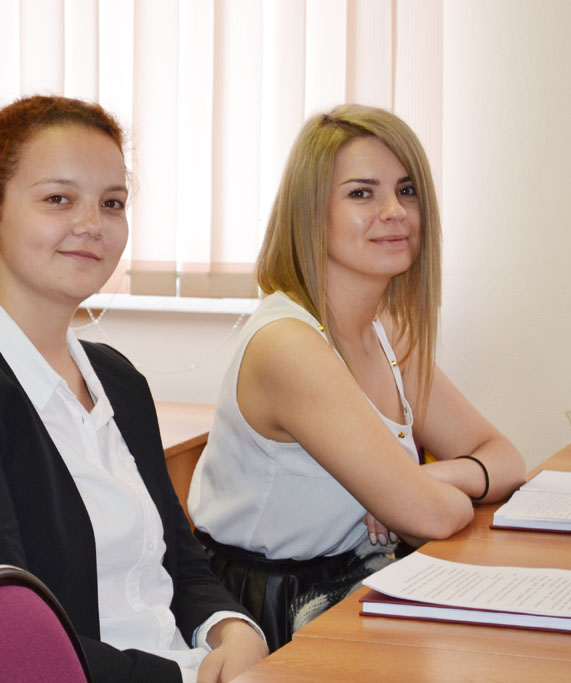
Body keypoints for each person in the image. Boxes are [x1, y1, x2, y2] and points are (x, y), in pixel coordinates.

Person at [0, 95, 267, 683]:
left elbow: (179, 561)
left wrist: (235, 630)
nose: (92, 224)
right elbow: (6, 638)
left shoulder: (117, 379)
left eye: (111, 203)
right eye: (58, 199)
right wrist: (191, 678)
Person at [187, 104, 526, 650]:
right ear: (309, 213)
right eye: (362, 193)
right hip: (272, 611)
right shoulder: (288, 345)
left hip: (361, 576)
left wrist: (437, 477)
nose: (394, 211)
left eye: (407, 191)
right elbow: (429, 518)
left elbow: (505, 458)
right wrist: (423, 492)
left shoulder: (389, 329)